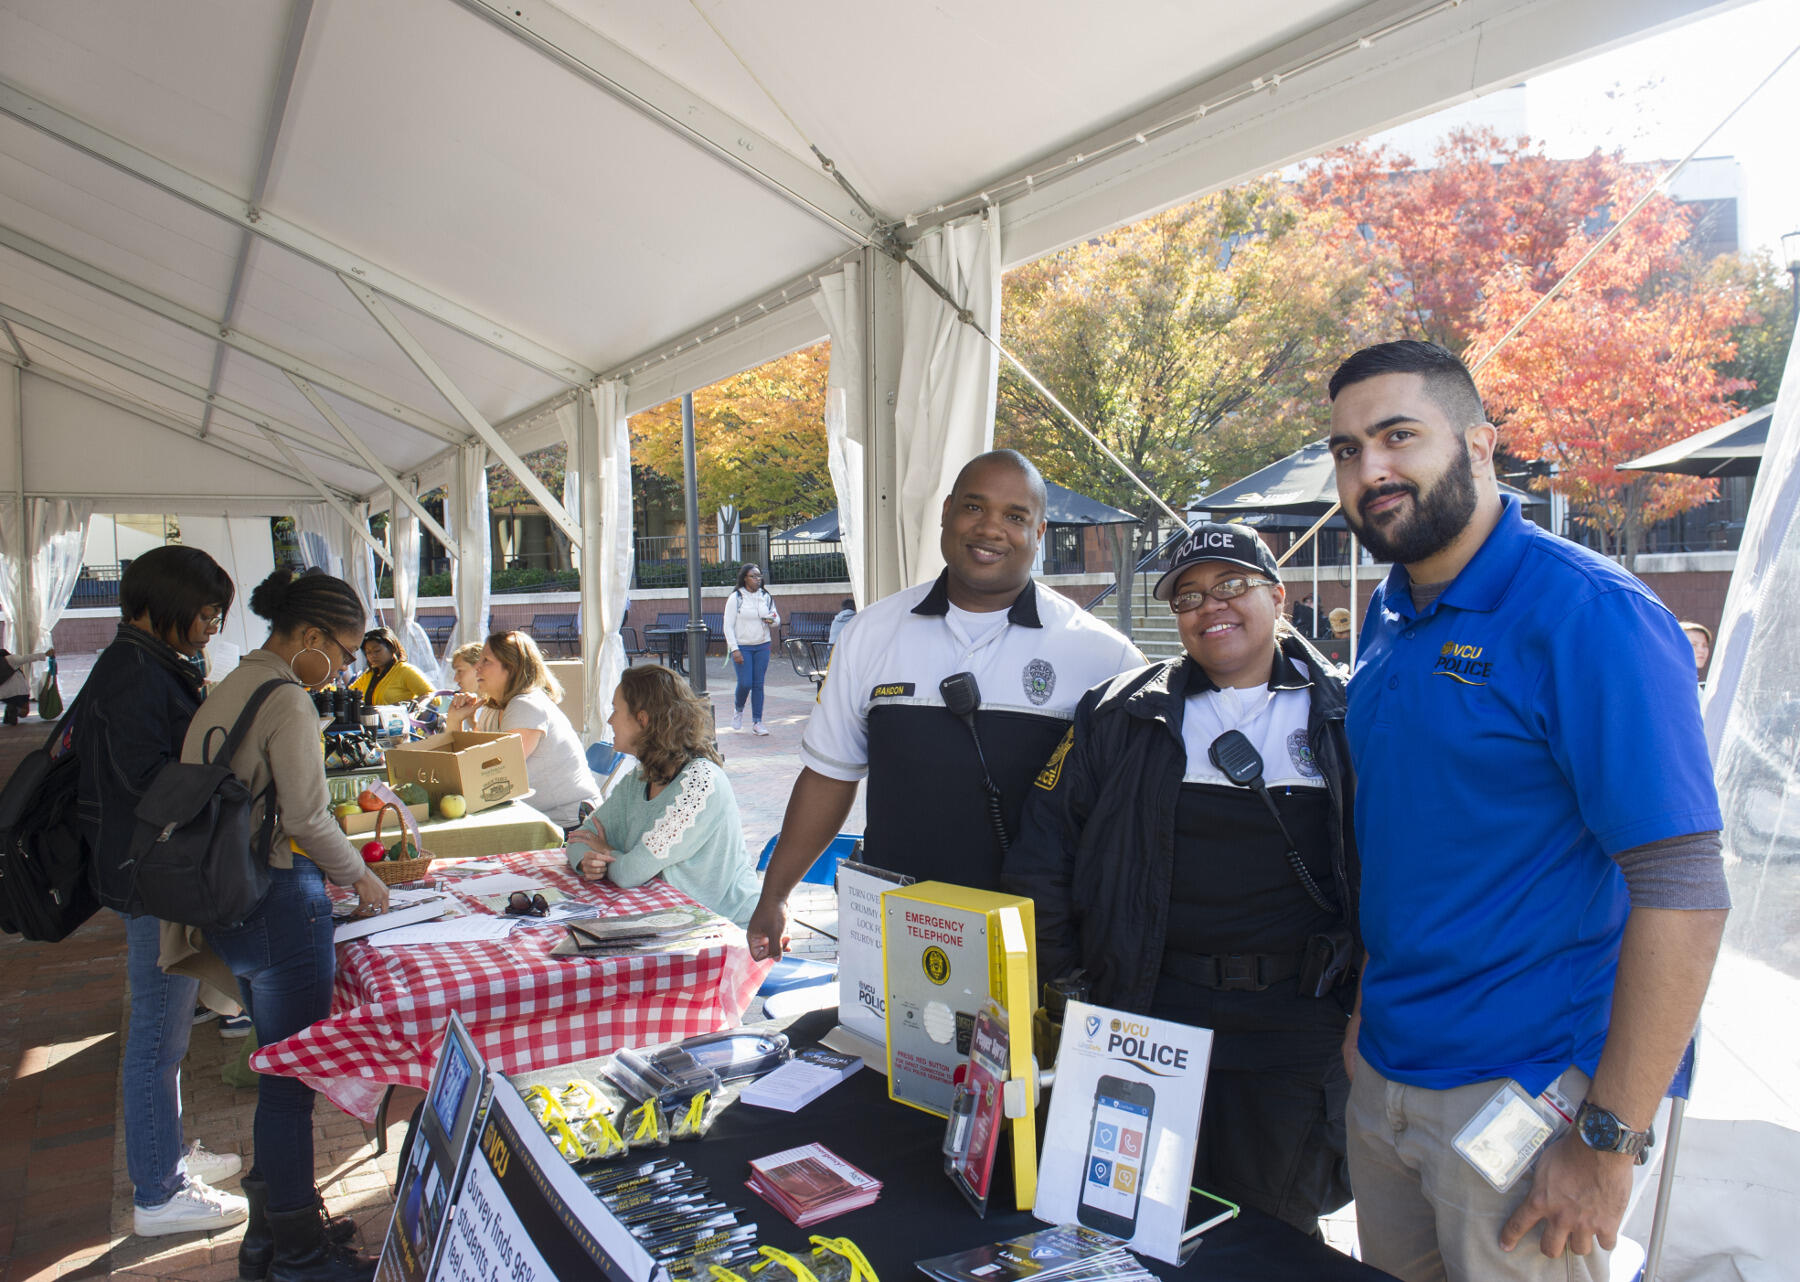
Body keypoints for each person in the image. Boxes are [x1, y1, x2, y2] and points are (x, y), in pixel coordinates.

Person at [1326, 340, 1728, 1281]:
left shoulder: (1590, 615)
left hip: (1530, 1093)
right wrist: (1366, 1013)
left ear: (1480, 444)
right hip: (1387, 1074)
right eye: (1347, 450)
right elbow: (1414, 841)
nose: (1370, 469)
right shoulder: (1390, 615)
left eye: (1397, 436)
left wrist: (1609, 1139)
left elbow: (1683, 888)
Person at [1006, 521, 1358, 1234]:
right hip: (1146, 1012)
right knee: (1125, 1220)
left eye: (1232, 585)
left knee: (1269, 1236)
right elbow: (1043, 858)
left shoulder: (1351, 713)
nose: (1211, 606)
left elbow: (1396, 873)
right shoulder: (1120, 712)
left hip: (1292, 1030)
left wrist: (1364, 1011)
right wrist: (1074, 991)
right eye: (1189, 596)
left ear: (1278, 596)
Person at [747, 449, 1143, 961]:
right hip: (894, 930)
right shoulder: (872, 632)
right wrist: (776, 894)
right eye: (974, 508)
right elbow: (829, 776)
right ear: (947, 512)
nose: (991, 529)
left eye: (1015, 516)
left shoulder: (1104, 656)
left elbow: (1133, 820)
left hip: (1036, 943)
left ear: (1040, 533)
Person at [177, 567, 389, 1280]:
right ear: (308, 637)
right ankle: (299, 1254)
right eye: (342, 651)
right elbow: (306, 816)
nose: (344, 667)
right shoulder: (289, 700)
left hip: (230, 901)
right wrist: (361, 875)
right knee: (292, 1081)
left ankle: (269, 1237)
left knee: (277, 1070)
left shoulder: (235, 684)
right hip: (276, 899)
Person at [75, 547, 249, 1237]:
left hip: (147, 871)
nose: (209, 627)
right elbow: (148, 780)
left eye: (215, 615)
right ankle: (157, 1192)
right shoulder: (132, 674)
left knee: (165, 1032)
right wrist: (227, 773)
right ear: (158, 607)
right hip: (150, 877)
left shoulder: (145, 663)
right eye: (203, 614)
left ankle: (166, 1156)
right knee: (157, 1036)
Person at [564, 665, 761, 925]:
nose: (610, 720)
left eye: (615, 710)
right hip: (670, 922)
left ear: (643, 719)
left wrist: (608, 852)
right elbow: (579, 837)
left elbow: (631, 873)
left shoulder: (701, 782)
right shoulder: (640, 778)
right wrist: (587, 861)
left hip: (725, 928)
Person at [447, 629, 598, 829]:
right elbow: (469, 764)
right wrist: (455, 720)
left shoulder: (526, 705)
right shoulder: (494, 707)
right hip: (532, 820)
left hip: (568, 826)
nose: (477, 667)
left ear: (511, 668)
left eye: (486, 661)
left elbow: (494, 774)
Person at [724, 563, 780, 735]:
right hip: (743, 646)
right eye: (753, 576)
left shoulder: (766, 596)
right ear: (744, 578)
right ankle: (738, 710)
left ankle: (757, 722)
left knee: (758, 684)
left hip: (762, 645)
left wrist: (769, 620)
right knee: (745, 682)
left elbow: (776, 620)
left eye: (759, 576)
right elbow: (728, 626)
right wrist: (735, 649)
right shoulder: (736, 598)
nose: (757, 579)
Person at [348, 626, 434, 705]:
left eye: (377, 651)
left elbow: (434, 698)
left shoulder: (406, 671)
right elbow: (349, 693)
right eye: (368, 652)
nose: (372, 656)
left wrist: (405, 705)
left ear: (392, 648)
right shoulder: (370, 674)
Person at [0, 642, 51, 724]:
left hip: (3, 695)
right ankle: (14, 710)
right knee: (24, 713)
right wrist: (45, 654)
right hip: (19, 691)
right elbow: (27, 658)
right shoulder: (11, 659)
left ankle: (10, 711)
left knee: (11, 702)